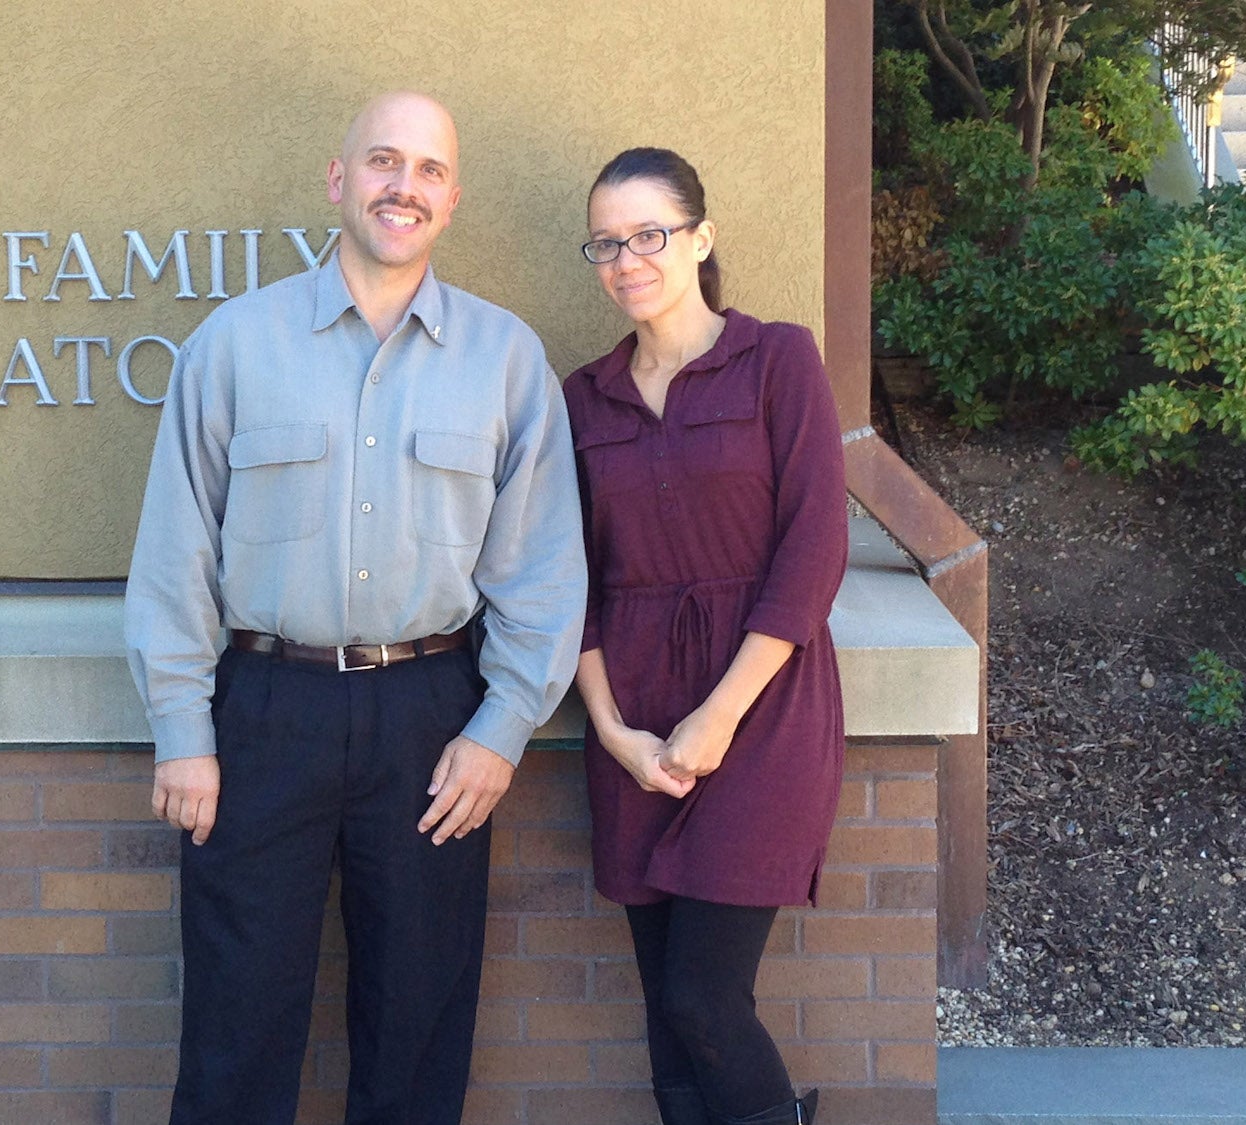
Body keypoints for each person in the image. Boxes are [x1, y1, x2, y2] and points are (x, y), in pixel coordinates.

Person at [124, 91, 585, 1125]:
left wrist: (502, 729)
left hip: (432, 720)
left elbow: (543, 569)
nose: (402, 187)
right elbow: (176, 550)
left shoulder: (506, 362)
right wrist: (181, 730)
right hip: (261, 717)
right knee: (237, 1024)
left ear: (452, 199)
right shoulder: (234, 347)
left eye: (427, 170)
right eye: (382, 162)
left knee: (417, 1021)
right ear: (339, 181)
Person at [562, 148, 849, 1125]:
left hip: (762, 707)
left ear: (701, 239)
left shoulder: (778, 361)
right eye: (607, 241)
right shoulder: (583, 399)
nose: (627, 259)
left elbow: (813, 552)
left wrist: (720, 716)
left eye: (650, 234)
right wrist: (612, 731)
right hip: (633, 715)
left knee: (704, 998)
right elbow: (575, 583)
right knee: (665, 1012)